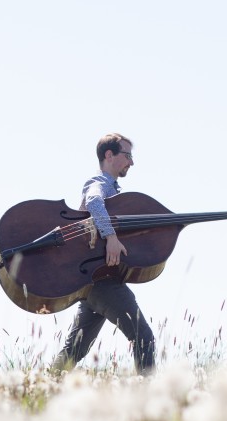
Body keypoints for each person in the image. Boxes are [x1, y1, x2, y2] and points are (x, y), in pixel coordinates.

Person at [50, 133, 157, 375]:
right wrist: (111, 237)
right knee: (144, 337)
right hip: (103, 282)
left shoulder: (114, 190)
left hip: (94, 280)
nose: (132, 162)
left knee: (73, 351)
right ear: (109, 155)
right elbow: (94, 202)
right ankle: (149, 396)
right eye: (127, 155)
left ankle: (40, 387)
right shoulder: (99, 183)